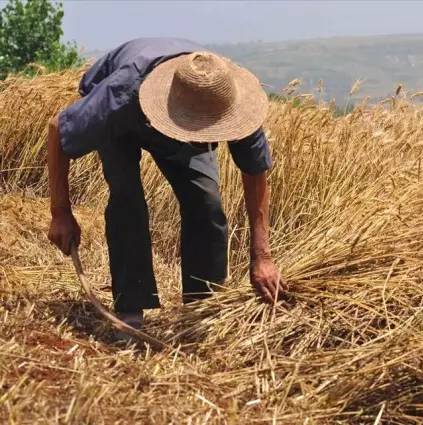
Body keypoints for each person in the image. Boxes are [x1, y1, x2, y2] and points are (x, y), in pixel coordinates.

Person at [46, 38, 287, 331]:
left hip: (177, 109)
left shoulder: (229, 98)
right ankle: (131, 309)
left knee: (207, 202)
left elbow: (255, 171)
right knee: (126, 198)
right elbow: (58, 128)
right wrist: (60, 212)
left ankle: (202, 308)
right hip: (126, 114)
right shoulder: (120, 95)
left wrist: (262, 257)